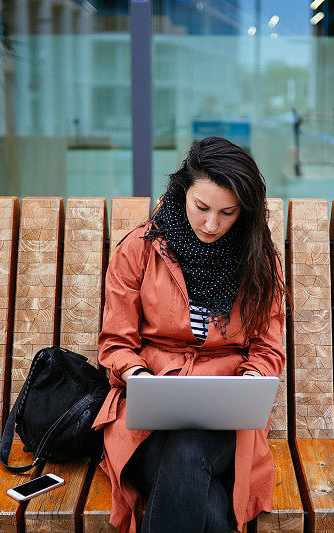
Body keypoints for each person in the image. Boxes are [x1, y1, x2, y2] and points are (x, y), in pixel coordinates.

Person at [92, 136, 287, 533]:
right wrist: (141, 379)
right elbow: (116, 342)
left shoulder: (257, 260)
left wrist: (250, 382)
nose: (211, 225)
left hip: (225, 422)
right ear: (183, 191)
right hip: (146, 422)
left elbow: (268, 347)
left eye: (227, 213)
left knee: (188, 453)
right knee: (204, 497)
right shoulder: (140, 249)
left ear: (244, 213)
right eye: (201, 207)